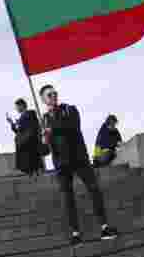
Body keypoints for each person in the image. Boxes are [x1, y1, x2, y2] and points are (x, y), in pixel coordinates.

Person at [41, 84, 119, 244]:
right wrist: (44, 140)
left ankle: (104, 227)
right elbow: (45, 150)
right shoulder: (45, 120)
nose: (53, 96)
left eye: (54, 93)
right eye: (49, 95)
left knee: (93, 189)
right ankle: (75, 233)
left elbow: (72, 127)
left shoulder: (70, 109)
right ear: (43, 100)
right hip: (61, 164)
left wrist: (52, 130)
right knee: (67, 198)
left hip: (79, 158)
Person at [8, 98, 44, 178]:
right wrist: (12, 123)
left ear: (21, 105)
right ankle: (32, 174)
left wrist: (26, 138)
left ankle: (35, 174)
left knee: (32, 161)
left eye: (17, 107)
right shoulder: (23, 116)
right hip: (24, 143)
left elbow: (32, 128)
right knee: (28, 163)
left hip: (29, 143)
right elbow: (18, 131)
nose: (16, 109)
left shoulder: (29, 114)